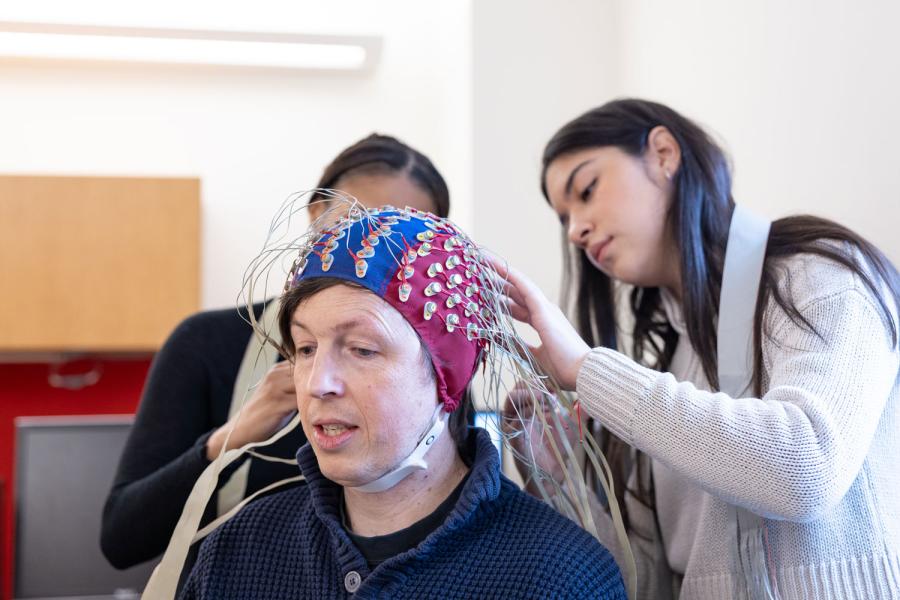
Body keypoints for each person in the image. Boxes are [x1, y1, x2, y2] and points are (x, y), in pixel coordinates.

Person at [499, 99, 900, 599]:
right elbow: (644, 583)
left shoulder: (822, 275)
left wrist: (585, 368)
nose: (576, 229)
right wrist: (556, 477)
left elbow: (805, 471)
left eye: (586, 189)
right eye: (565, 218)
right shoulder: (661, 371)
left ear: (664, 153)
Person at [175, 205, 627, 599]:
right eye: (306, 348)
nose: (317, 384)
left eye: (362, 350)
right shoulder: (235, 556)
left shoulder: (560, 576)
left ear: (448, 376)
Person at [101, 134, 451, 570]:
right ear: (315, 217)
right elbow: (122, 536)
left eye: (404, 239)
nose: (373, 255)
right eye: (357, 226)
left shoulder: (439, 373)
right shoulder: (205, 344)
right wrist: (230, 440)